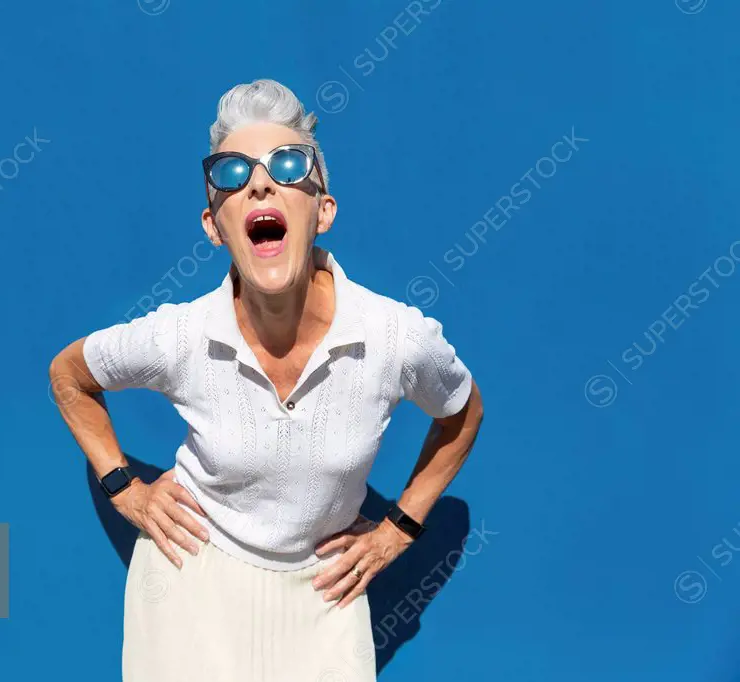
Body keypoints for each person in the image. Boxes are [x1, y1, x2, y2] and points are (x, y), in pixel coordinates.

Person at [50, 78, 484, 682]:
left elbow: (463, 412)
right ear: (214, 225)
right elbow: (69, 376)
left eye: (287, 164)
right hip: (188, 581)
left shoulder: (394, 337)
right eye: (232, 172)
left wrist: (398, 529)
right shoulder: (178, 337)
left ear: (323, 211)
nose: (259, 181)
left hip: (324, 596)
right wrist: (125, 488)